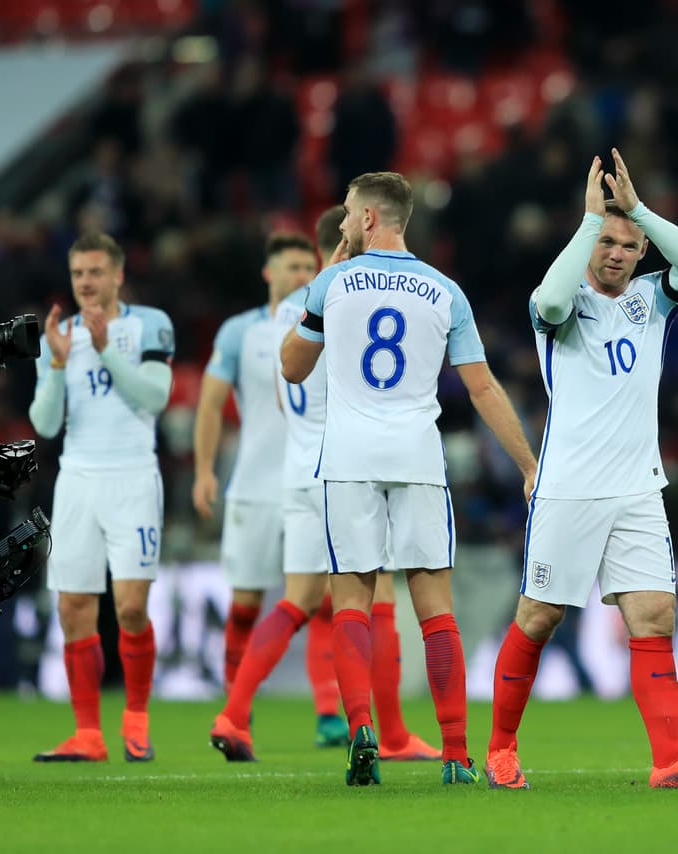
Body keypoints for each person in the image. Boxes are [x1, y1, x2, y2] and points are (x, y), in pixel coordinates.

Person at [483, 150, 678, 791]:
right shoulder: (564, 304)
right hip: (568, 488)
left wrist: (639, 211)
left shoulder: (653, 301)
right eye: (608, 242)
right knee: (538, 617)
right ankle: (499, 750)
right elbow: (546, 298)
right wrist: (589, 220)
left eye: (629, 245)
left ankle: (670, 760)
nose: (619, 252)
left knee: (654, 616)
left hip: (637, 489)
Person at [280, 171, 537, 787]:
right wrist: (528, 464)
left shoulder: (333, 283)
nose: (341, 223)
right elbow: (481, 386)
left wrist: (321, 283)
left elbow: (292, 367)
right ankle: (454, 755)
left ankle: (362, 730)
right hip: (418, 460)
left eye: (346, 213)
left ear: (369, 218)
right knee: (435, 611)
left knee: (352, 605)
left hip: (348, 461)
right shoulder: (445, 290)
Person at [208, 209, 439, 763]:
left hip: (298, 469)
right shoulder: (350, 298)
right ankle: (396, 735)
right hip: (343, 469)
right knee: (378, 598)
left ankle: (235, 715)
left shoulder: (285, 312)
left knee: (298, 601)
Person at [191, 232, 354, 745]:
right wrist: (203, 469)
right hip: (263, 484)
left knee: (316, 601)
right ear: (269, 272)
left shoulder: (307, 325)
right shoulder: (242, 332)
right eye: (290, 267)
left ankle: (326, 713)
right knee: (249, 605)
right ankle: (239, 707)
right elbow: (211, 403)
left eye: (309, 267)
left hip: (297, 476)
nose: (301, 276)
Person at [29, 233, 174, 762]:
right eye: (78, 274)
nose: (86, 283)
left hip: (133, 476)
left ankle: (135, 716)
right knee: (73, 608)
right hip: (78, 481)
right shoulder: (58, 337)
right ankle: (87, 734)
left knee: (131, 607)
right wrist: (62, 364)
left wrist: (107, 350)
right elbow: (45, 423)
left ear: (117, 274)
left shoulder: (149, 324)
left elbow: (155, 397)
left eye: (95, 272)